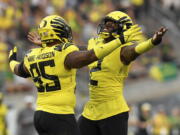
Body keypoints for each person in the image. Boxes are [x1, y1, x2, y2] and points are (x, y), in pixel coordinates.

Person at [8, 15, 141, 135]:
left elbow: (18, 70)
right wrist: (119, 41)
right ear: (58, 32)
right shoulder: (64, 51)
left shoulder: (32, 54)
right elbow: (91, 54)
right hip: (60, 115)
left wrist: (11, 60)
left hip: (40, 115)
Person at [77, 11, 167, 135]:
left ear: (122, 30)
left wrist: (152, 42)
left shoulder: (123, 50)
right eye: (105, 24)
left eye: (110, 26)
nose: (105, 28)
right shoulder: (95, 43)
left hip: (112, 111)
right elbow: (83, 52)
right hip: (92, 109)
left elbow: (136, 50)